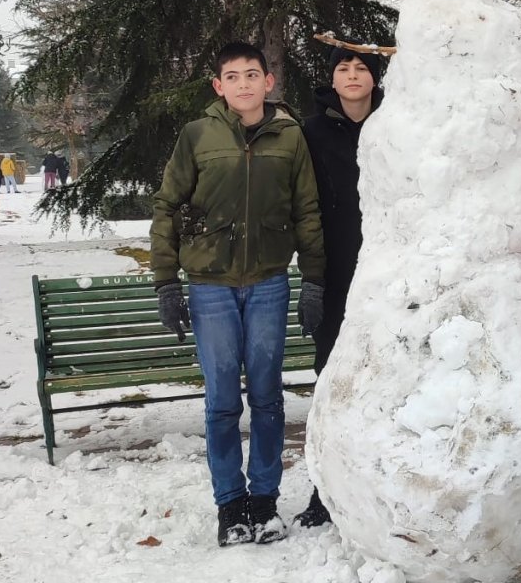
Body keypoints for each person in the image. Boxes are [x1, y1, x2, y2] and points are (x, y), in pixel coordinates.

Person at [150, 41, 326, 547]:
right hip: (210, 287)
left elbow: (307, 210)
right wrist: (166, 282)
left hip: (269, 282)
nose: (244, 84)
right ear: (218, 86)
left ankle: (265, 501)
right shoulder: (197, 136)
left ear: (268, 82)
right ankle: (231, 506)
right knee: (223, 401)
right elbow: (167, 206)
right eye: (233, 76)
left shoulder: (289, 137)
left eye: (253, 74)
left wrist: (312, 279)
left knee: (268, 399)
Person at [295, 43, 384, 527]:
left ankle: (376, 479)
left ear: (375, 78)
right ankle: (324, 485)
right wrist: (312, 278)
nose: (352, 74)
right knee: (333, 381)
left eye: (362, 67)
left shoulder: (395, 124)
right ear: (332, 80)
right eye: (343, 68)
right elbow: (301, 206)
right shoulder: (309, 132)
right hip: (334, 274)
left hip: (388, 274)